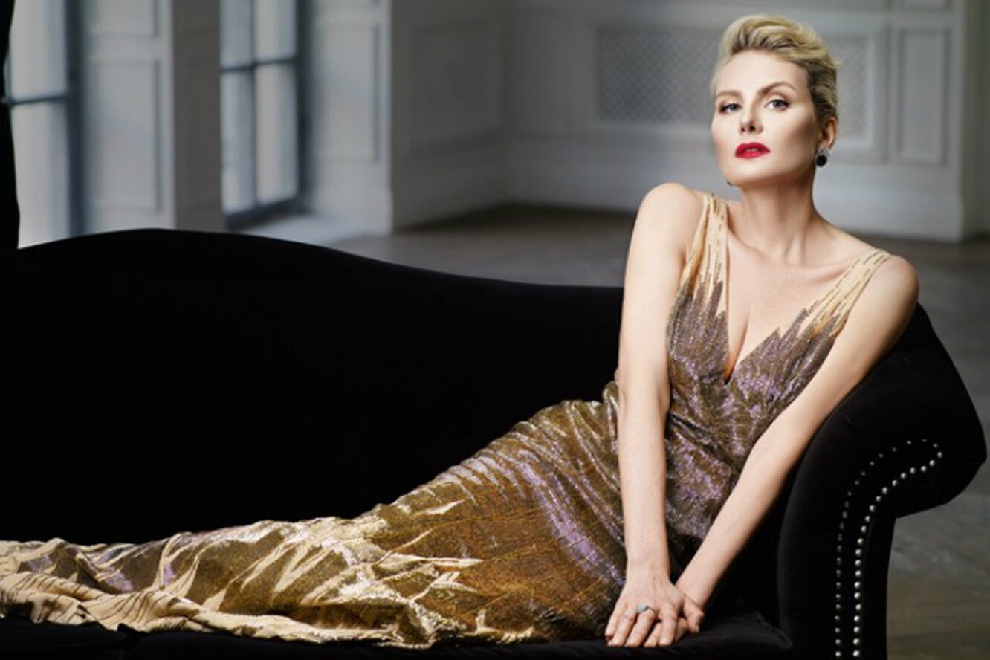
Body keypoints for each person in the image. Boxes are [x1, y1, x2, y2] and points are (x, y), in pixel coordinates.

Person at [0, 13, 916, 651]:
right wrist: (648, 565)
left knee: (396, 614)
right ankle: (76, 576)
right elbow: (641, 389)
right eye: (727, 104)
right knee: (347, 561)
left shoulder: (877, 281)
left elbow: (782, 443)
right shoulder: (676, 212)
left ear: (826, 129)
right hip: (563, 468)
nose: (746, 121)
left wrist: (684, 590)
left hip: (665, 546)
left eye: (775, 102)